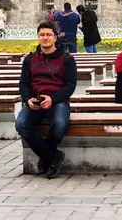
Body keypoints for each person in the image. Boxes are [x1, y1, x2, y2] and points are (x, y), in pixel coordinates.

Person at [16, 21, 77, 179]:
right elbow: (23, 84)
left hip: (57, 101)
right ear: (38, 37)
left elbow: (70, 86)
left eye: (49, 35)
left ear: (55, 37)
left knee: (59, 124)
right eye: (42, 35)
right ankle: (52, 157)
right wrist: (28, 99)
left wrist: (53, 98)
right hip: (36, 100)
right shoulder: (30, 59)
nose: (45, 38)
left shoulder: (67, 59)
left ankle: (46, 158)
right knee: (21, 124)